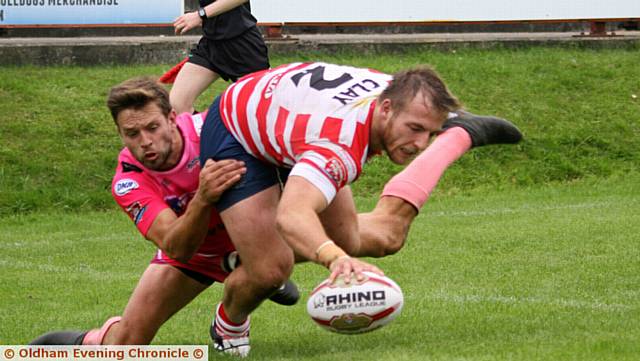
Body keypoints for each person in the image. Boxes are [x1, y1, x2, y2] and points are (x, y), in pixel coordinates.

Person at [197, 61, 522, 356]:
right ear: (385, 108)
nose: (421, 145)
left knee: (359, 240)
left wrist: (340, 251)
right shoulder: (340, 145)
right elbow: (293, 215)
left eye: (433, 133)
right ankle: (229, 321)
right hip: (237, 130)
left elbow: (419, 106)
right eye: (415, 129)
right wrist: (334, 259)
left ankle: (245, 249)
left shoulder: (393, 94)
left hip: (293, 118)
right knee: (270, 269)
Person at [29, 77, 298, 346]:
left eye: (153, 127)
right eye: (132, 134)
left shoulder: (212, 130)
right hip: (195, 255)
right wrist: (202, 198)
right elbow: (177, 247)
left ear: (172, 118)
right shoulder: (128, 180)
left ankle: (229, 324)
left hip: (251, 233)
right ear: (120, 134)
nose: (146, 141)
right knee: (124, 348)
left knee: (274, 266)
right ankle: (90, 342)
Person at [169, 0, 269, 114]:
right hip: (211, 43)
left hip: (243, 44)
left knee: (259, 112)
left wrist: (200, 15)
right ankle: (207, 130)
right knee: (177, 104)